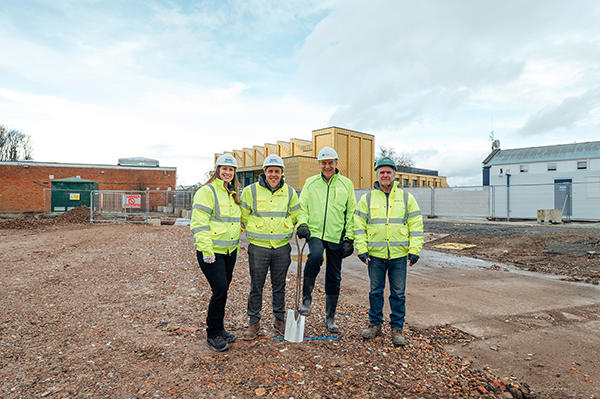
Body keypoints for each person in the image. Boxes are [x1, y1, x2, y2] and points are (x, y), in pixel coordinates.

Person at [353, 156, 424, 347]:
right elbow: (358, 225)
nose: (385, 175)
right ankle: (375, 325)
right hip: (375, 255)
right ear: (377, 174)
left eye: (388, 172)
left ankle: (397, 328)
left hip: (399, 255)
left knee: (398, 293)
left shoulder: (406, 198)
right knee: (375, 291)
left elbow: (416, 225)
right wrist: (361, 248)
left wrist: (415, 249)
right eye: (382, 172)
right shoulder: (367, 199)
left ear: (394, 175)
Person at [296, 146, 356, 333]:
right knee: (314, 257)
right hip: (315, 232)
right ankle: (306, 298)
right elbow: (302, 206)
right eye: (324, 163)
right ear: (319, 164)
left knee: (334, 275)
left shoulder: (346, 184)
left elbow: (351, 212)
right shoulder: (310, 183)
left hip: (336, 234)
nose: (327, 166)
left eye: (330, 162)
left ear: (336, 164)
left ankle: (330, 317)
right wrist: (302, 224)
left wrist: (349, 238)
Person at [239, 154, 300, 339]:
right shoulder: (251, 191)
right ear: (264, 172)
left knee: (279, 286)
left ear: (282, 173)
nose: (274, 174)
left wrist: (298, 225)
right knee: (256, 286)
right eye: (270, 171)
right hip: (258, 247)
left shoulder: (289, 192)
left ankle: (279, 320)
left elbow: (297, 214)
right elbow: (243, 215)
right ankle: (253, 322)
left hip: (281, 246)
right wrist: (253, 227)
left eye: (277, 171)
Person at [190, 154, 242, 352]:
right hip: (212, 252)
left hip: (230, 251)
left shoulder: (232, 193)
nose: (227, 172)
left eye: (231, 169)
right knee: (219, 289)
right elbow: (199, 223)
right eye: (224, 168)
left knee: (223, 290)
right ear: (217, 170)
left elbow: (234, 222)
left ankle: (220, 329)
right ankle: (212, 334)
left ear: (234, 172)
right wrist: (206, 250)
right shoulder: (207, 191)